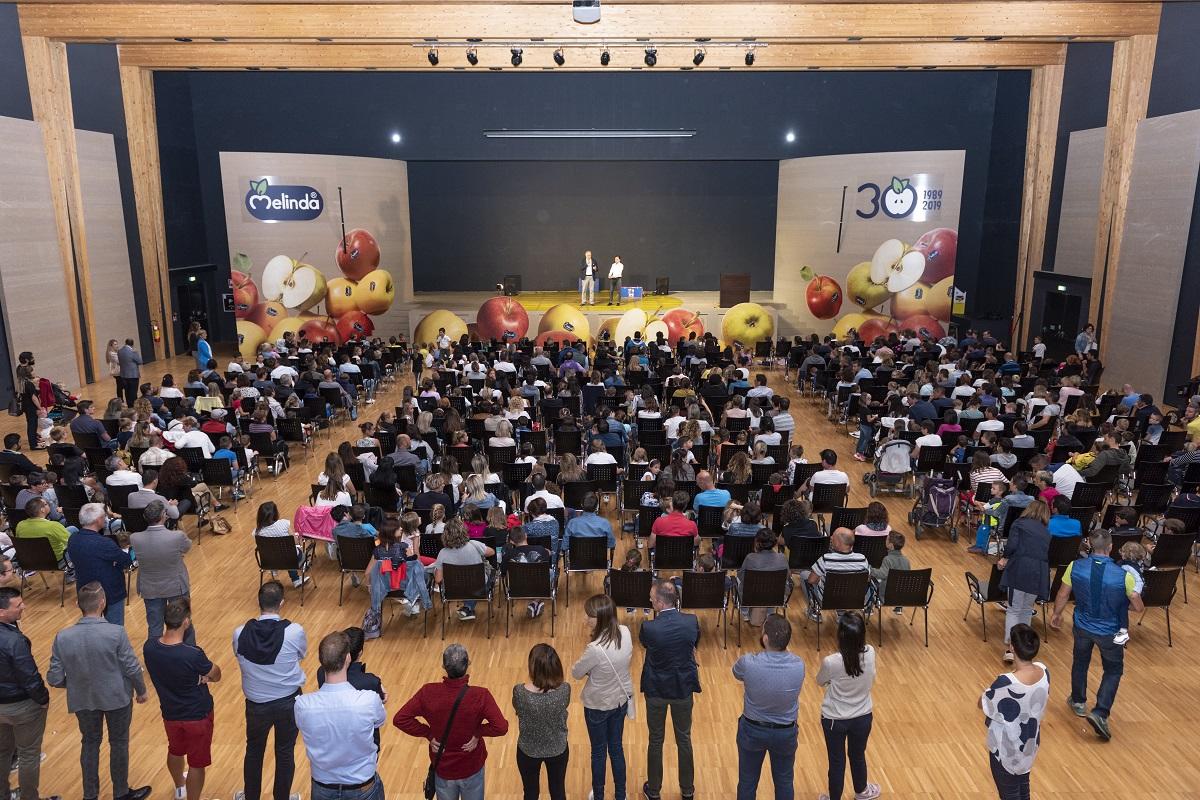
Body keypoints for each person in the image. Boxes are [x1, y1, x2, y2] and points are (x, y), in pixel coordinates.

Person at [47, 582, 151, 800]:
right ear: (102, 603)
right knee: (119, 742)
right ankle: (121, 792)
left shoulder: (62, 637)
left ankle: (90, 795)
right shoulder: (116, 633)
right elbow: (131, 666)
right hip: (117, 697)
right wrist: (141, 690)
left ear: (77, 604)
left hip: (83, 699)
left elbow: (54, 678)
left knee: (90, 742)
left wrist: (75, 683)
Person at [1051, 530, 1144, 741]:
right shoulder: (1124, 576)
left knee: (1080, 661)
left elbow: (1063, 593)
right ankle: (1101, 712)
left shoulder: (1075, 566)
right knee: (1113, 670)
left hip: (1082, 626)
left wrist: (1056, 614)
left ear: (1091, 546)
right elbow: (1137, 606)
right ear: (1110, 547)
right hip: (1111, 631)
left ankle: (1078, 701)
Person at [394, 643, 510, 800]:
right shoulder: (481, 696)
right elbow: (501, 727)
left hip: (443, 768)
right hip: (472, 767)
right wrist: (478, 733)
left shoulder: (428, 692)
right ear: (468, 664)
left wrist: (428, 734)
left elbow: (400, 719)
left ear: (443, 666)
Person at [231, 580, 306, 800]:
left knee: (254, 751)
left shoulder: (239, 633)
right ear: (282, 603)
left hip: (256, 705)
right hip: (288, 702)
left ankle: (250, 796)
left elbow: (240, 656)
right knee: (285, 752)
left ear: (258, 602)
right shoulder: (294, 631)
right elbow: (301, 654)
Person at [142, 598, 220, 800]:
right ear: (186, 621)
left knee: (175, 750)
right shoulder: (192, 654)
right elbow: (216, 674)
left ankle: (179, 787)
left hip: (170, 713)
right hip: (197, 715)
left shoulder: (149, 647)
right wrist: (203, 678)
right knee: (196, 763)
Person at [294, 631, 387, 800]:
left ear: (322, 661)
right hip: (363, 787)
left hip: (322, 788)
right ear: (348, 659)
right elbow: (379, 721)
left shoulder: (302, 705)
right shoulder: (368, 700)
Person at [732, 614, 805, 800]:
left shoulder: (748, 662)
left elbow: (736, 673)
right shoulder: (799, 665)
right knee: (784, 782)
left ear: (765, 638)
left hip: (752, 730)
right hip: (785, 733)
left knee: (747, 782)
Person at [639, 580, 700, 800]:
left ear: (660, 603)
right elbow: (694, 644)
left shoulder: (649, 627)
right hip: (683, 689)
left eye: (651, 598)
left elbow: (645, 644)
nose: (649, 600)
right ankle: (687, 790)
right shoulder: (692, 622)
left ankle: (654, 791)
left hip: (656, 690)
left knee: (655, 740)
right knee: (684, 739)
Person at [572, 594, 633, 800]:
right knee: (616, 749)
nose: (585, 618)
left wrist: (593, 671)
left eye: (589, 615)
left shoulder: (594, 649)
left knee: (598, 752)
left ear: (600, 619)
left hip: (597, 706)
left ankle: (598, 796)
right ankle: (620, 795)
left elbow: (576, 673)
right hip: (620, 702)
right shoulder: (625, 632)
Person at [0, 587, 57, 800]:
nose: (24, 607)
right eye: (18, 605)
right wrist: (43, 699)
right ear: (1, 612)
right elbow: (29, 676)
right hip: (22, 705)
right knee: (28, 755)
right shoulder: (14, 641)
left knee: (2, 752)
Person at [816, 611, 879, 800]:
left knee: (836, 762)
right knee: (858, 755)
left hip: (835, 720)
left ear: (841, 636)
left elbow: (820, 681)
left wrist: (831, 683)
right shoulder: (871, 652)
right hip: (863, 717)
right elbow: (871, 677)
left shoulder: (831, 662)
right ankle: (861, 791)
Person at [982, 623, 1049, 800]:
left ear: (1012, 647)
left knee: (1009, 794)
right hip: (1029, 744)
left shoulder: (1006, 682)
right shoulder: (1044, 671)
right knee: (1023, 787)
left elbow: (984, 703)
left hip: (1006, 750)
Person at [512, 643, 571, 800]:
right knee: (558, 791)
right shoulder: (565, 689)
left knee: (530, 793)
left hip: (528, 750)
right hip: (558, 748)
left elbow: (517, 709)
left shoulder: (519, 692)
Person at [131, 500, 194, 643]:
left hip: (150, 588)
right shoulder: (177, 536)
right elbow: (187, 547)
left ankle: (155, 659)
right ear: (164, 515)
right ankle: (189, 656)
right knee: (184, 625)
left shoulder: (135, 538)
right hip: (176, 586)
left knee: (154, 627)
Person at [998, 501, 1051, 663]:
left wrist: (1004, 557)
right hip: (1039, 572)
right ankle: (1023, 646)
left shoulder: (1020, 523)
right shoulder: (1046, 532)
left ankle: (1010, 648)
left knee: (1014, 609)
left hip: (1020, 568)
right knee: (1027, 609)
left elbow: (1012, 545)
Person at [67, 504, 134, 626]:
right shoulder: (104, 543)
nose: (105, 519)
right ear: (98, 520)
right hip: (110, 591)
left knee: (90, 627)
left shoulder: (73, 538)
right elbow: (126, 560)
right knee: (115, 628)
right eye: (104, 517)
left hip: (85, 590)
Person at [117, 338, 142, 407]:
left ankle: (129, 405)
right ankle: (134, 406)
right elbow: (140, 361)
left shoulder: (119, 351)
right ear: (132, 344)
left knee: (127, 391)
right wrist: (137, 353)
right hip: (133, 375)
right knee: (133, 392)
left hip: (123, 375)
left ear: (125, 343)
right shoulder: (133, 352)